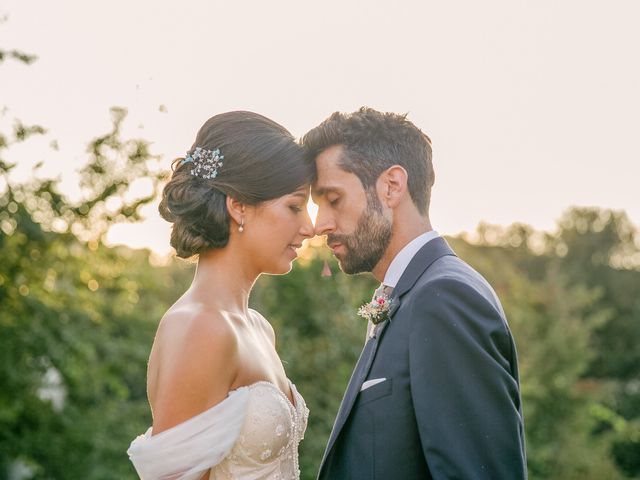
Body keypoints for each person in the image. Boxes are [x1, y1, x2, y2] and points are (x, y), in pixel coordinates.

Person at [303, 107, 527, 479]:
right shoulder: (413, 292)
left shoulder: (444, 297)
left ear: (391, 185)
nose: (319, 225)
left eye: (333, 199)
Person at [128, 111, 314, 480]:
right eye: (295, 206)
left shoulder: (258, 327)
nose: (309, 227)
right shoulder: (200, 327)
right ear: (238, 205)